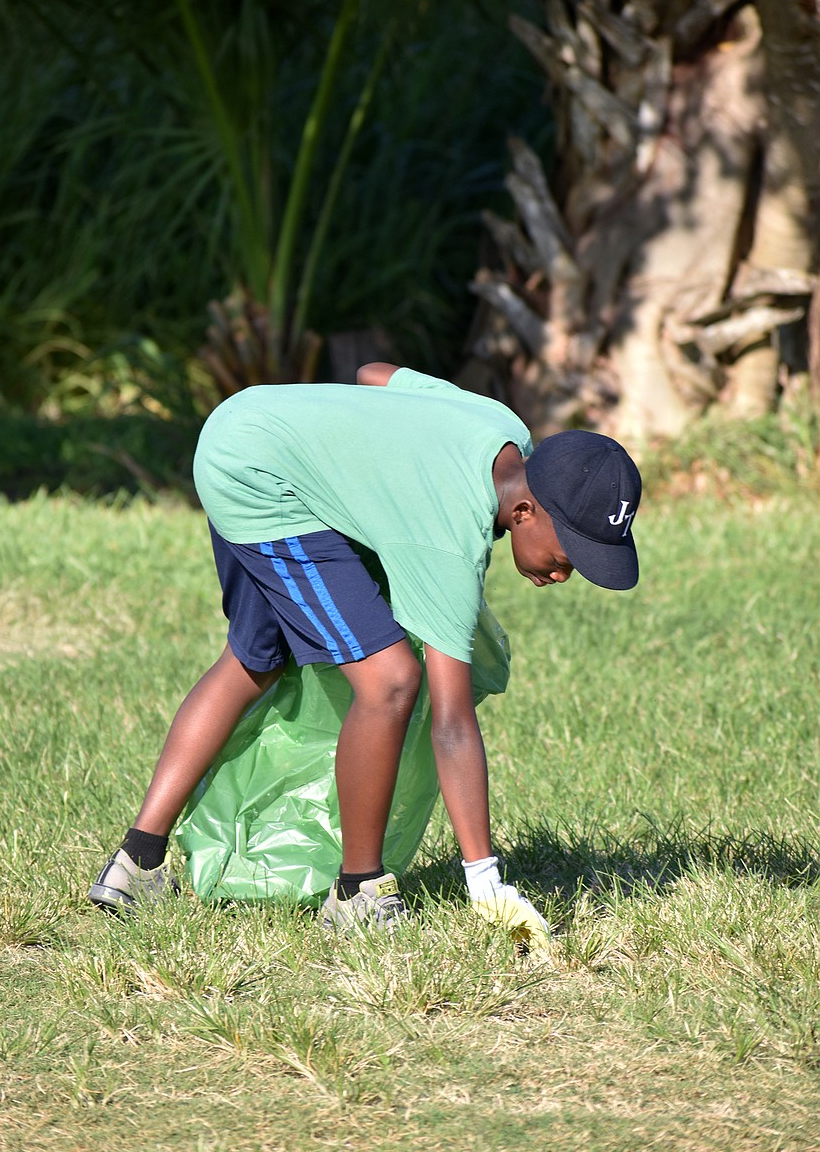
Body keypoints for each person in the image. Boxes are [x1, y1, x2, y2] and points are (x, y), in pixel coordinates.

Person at [89, 363, 641, 947]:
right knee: (393, 680)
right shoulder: (447, 541)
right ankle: (358, 890)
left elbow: (375, 374)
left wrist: (357, 456)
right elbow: (451, 724)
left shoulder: (502, 428)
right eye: (569, 554)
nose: (565, 572)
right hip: (261, 483)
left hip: (245, 425)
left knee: (258, 656)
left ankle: (136, 863)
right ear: (526, 511)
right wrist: (485, 883)